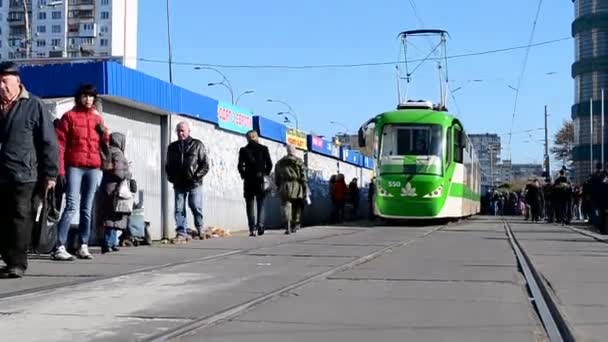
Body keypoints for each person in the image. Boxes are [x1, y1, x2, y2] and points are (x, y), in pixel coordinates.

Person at [0, 62, 58, 277]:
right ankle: (8, 259)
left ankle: (17, 263)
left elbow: (48, 141)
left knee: (20, 217)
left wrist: (51, 173)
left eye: (5, 81)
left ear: (17, 82)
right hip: (1, 173)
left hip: (25, 173)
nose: (1, 86)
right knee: (3, 218)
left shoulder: (34, 105)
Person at [53, 83, 107, 261]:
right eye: (85, 96)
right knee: (71, 206)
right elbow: (60, 145)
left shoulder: (97, 118)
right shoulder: (69, 117)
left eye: (91, 96)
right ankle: (59, 246)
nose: (88, 99)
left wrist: (104, 132)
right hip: (74, 166)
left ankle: (83, 245)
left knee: (87, 208)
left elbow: (105, 142)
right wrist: (60, 170)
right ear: (79, 97)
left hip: (93, 166)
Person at [165, 121, 210, 242]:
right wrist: (171, 177)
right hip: (179, 183)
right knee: (179, 208)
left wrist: (196, 177)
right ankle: (181, 231)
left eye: (183, 130)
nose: (180, 133)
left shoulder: (197, 145)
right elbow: (168, 165)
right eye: (178, 131)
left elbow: (205, 165)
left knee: (195, 205)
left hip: (194, 183)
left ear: (188, 131)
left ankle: (200, 227)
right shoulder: (172, 147)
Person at [99, 132, 136, 253]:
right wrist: (128, 173)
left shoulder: (107, 151)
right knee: (115, 216)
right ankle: (109, 243)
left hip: (106, 188)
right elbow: (119, 172)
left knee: (110, 216)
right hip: (116, 190)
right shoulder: (118, 153)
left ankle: (112, 242)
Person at [238, 130, 273, 237]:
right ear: (256, 137)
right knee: (261, 203)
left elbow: (240, 166)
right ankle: (261, 226)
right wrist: (264, 174)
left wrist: (244, 175)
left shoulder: (243, 150)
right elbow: (270, 164)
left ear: (247, 138)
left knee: (250, 204)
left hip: (248, 181)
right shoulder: (263, 149)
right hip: (260, 180)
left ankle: (252, 229)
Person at [275, 145, 308, 234]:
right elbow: (303, 175)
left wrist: (278, 186)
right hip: (297, 185)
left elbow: (277, 176)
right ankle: (295, 224)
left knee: (286, 205)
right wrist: (305, 187)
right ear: (294, 151)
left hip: (284, 185)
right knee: (297, 205)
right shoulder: (299, 162)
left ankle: (288, 225)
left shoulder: (280, 162)